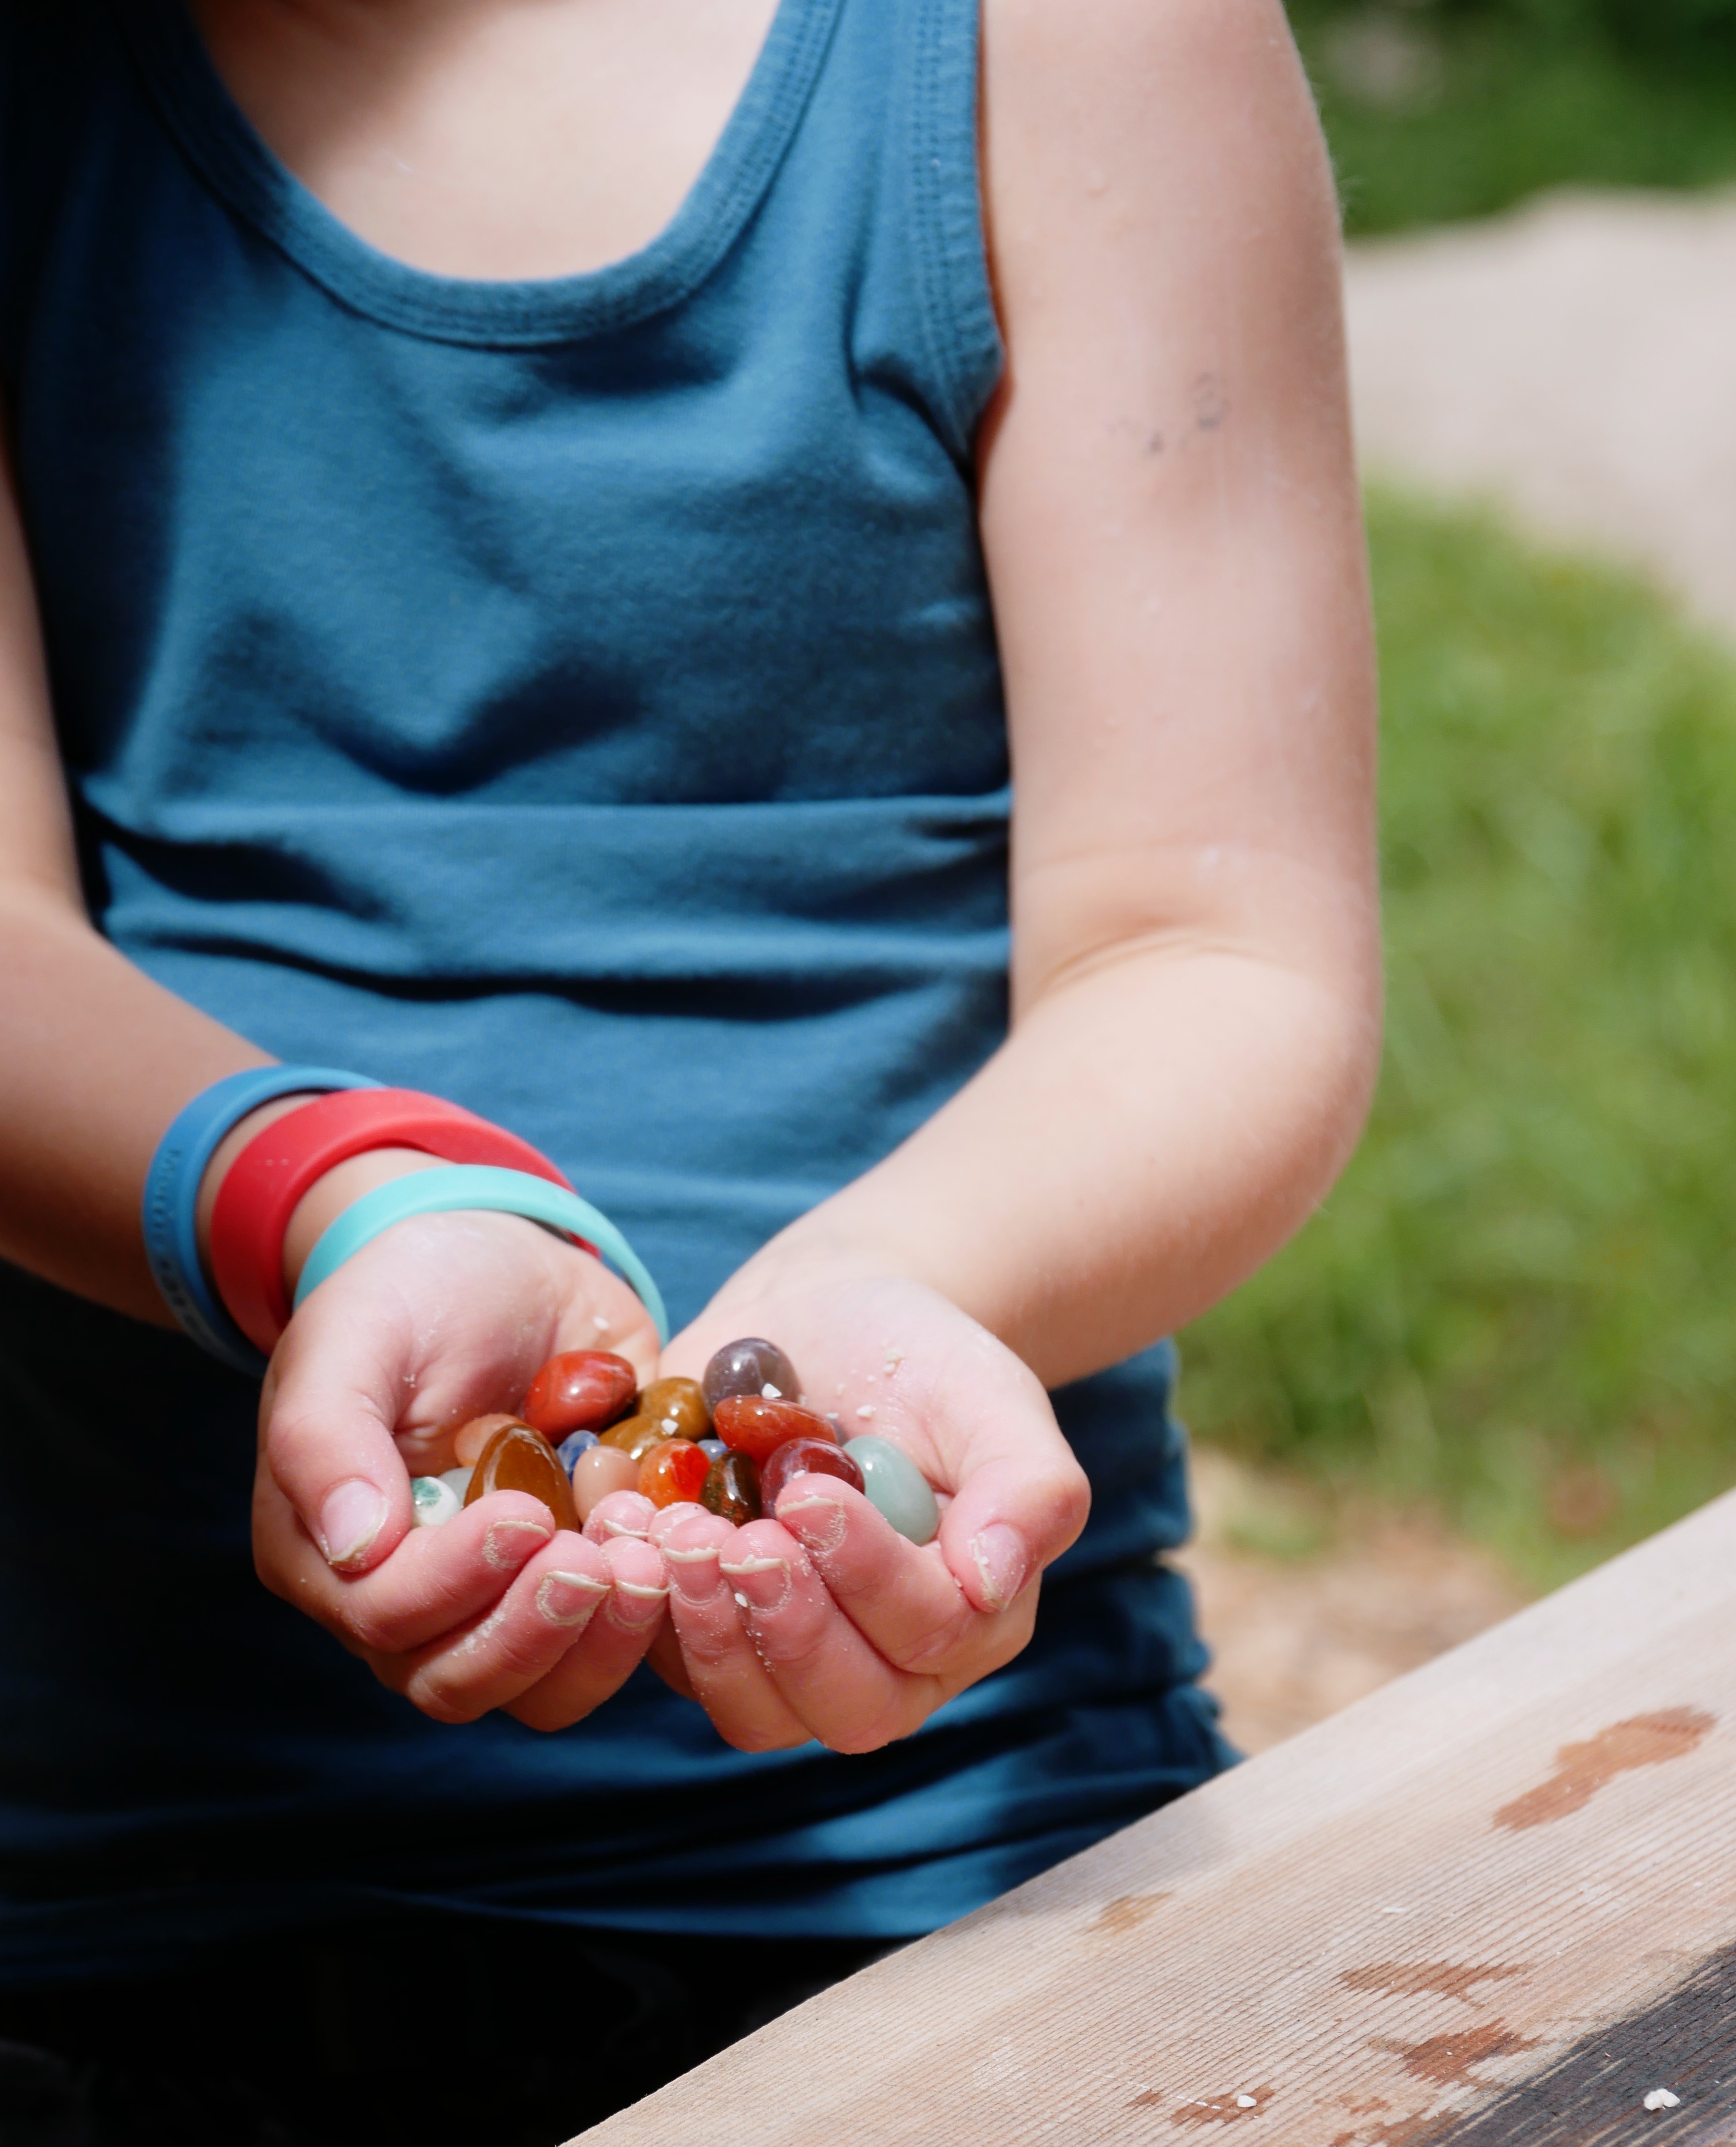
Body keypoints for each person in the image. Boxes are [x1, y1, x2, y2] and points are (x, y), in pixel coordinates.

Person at [0, 0, 1379, 2137]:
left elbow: (1216, 944)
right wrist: (353, 1195)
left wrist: (900, 1281)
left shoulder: (1077, 47)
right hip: (134, 1886)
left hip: (973, 1855)